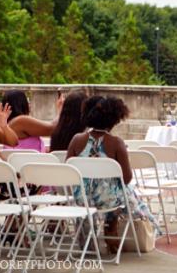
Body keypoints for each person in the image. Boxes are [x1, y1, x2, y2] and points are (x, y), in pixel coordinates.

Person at [66, 96, 159, 239]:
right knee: (125, 191)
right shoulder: (116, 143)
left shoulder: (76, 139)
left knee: (112, 191)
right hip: (108, 200)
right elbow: (126, 178)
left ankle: (86, 235)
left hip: (81, 198)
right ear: (115, 120)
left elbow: (69, 172)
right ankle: (111, 227)